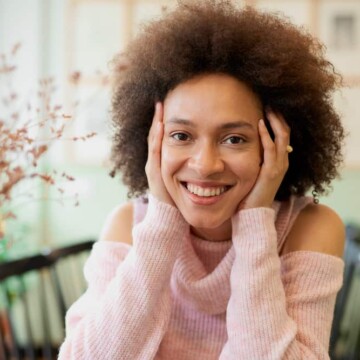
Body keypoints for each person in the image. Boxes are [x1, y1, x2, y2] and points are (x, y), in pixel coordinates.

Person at [58, 1, 346, 359]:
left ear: (277, 143)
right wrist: (162, 221)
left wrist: (255, 223)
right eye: (181, 135)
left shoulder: (310, 227)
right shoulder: (128, 225)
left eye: (234, 139)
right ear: (152, 140)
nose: (206, 165)